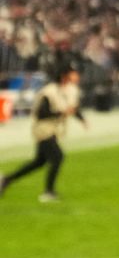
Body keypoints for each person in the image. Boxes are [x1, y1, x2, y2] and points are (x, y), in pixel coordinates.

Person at [1, 65, 87, 204]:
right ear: (64, 75)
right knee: (58, 157)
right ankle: (48, 192)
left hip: (55, 129)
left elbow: (72, 107)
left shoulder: (70, 90)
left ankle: (6, 180)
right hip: (43, 129)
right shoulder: (49, 91)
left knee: (39, 162)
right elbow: (41, 113)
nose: (76, 76)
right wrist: (61, 113)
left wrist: (82, 119)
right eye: (73, 73)